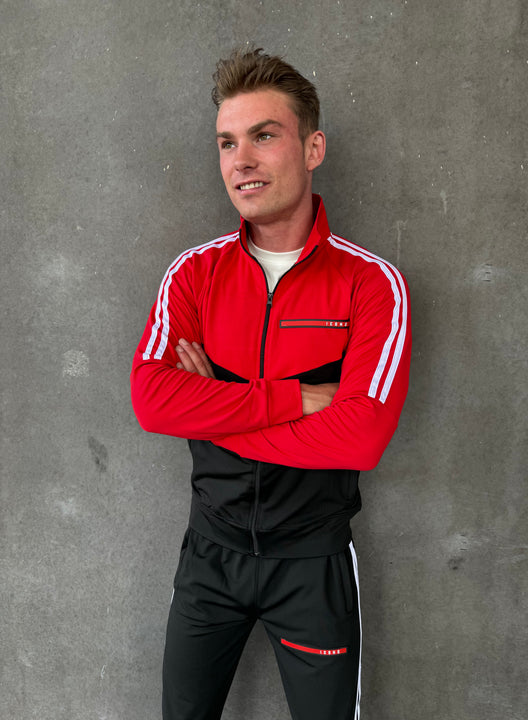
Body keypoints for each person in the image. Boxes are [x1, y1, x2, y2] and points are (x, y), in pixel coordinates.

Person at [131, 47, 411, 720]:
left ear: (313, 148)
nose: (241, 160)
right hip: (210, 558)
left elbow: (361, 436)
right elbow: (151, 400)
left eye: (263, 135)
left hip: (312, 566)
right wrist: (296, 399)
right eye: (227, 142)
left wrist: (211, 410)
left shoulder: (372, 284)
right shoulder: (193, 274)